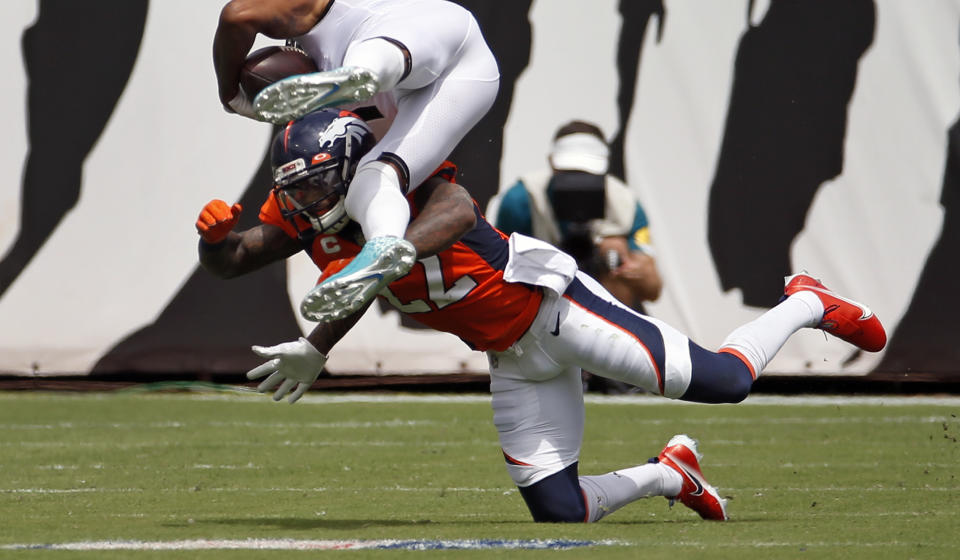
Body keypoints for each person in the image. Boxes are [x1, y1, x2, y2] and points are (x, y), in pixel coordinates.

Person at [195, 108, 887, 523]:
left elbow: (459, 212)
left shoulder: (403, 180)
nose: (309, 198)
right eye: (299, 186)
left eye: (319, 181)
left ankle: (805, 301)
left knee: (726, 383)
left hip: (556, 308)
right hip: (514, 360)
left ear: (353, 166)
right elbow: (238, 261)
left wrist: (378, 258)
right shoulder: (304, 212)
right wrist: (216, 241)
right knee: (560, 511)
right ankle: (672, 473)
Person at [212, 0, 500, 324]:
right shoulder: (355, 114)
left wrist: (230, 95)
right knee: (376, 176)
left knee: (375, 55)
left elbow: (237, 14)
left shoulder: (325, 2)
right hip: (464, 83)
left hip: (419, 35)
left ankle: (357, 74)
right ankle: (384, 245)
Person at [492, 119, 662, 313]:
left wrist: (622, 262)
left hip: (608, 308)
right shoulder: (523, 200)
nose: (577, 182)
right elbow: (498, 272)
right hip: (537, 303)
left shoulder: (624, 203)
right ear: (551, 163)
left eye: (587, 173)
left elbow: (653, 289)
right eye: (568, 172)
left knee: (616, 247)